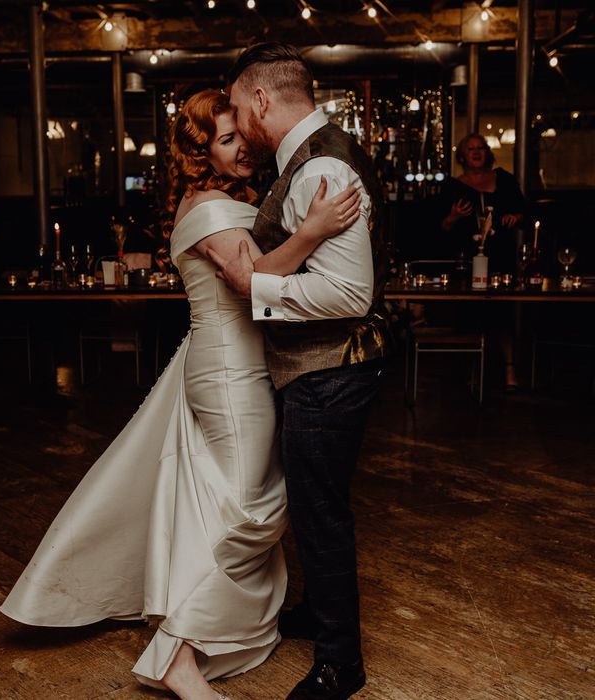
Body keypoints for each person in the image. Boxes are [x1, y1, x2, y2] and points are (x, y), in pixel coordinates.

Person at [0, 88, 362, 700]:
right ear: (200, 154)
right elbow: (254, 282)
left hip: (240, 365)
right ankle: (180, 657)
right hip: (229, 372)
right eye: (226, 140)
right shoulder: (210, 211)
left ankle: (204, 622)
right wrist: (315, 229)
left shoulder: (227, 201)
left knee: (234, 503)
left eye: (242, 136)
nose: (243, 148)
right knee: (250, 510)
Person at [210, 43, 391, 700]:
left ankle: (342, 661)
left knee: (319, 512)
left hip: (331, 369)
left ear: (261, 100)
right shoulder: (313, 163)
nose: (236, 119)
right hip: (323, 369)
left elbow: (349, 296)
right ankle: (319, 613)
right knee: (314, 504)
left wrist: (254, 285)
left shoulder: (323, 174)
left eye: (236, 106)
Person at [440, 133, 528, 391]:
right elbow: (442, 227)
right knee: (470, 315)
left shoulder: (504, 180)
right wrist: (454, 216)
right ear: (462, 155)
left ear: (486, 153)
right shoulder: (453, 187)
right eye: (471, 149)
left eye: (480, 148)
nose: (476, 152)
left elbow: (523, 212)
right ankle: (472, 372)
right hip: (467, 259)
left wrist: (514, 216)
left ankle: (509, 371)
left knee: (502, 315)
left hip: (500, 257)